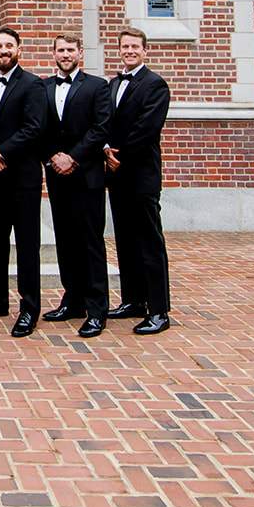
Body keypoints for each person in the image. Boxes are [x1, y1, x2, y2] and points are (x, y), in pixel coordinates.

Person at [0, 27, 50, 337]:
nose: (3, 50)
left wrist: (1, 152)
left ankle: (29, 308)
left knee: (27, 244)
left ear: (19, 49)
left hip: (23, 177)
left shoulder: (33, 85)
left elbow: (34, 129)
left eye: (8, 45)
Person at [40, 33, 112, 338]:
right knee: (66, 240)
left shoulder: (98, 86)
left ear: (80, 52)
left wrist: (74, 157)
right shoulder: (41, 87)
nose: (65, 54)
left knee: (91, 243)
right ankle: (73, 300)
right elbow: (37, 127)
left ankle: (97, 308)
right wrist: (51, 157)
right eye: (60, 50)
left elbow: (101, 127)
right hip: (57, 175)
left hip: (87, 175)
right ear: (53, 53)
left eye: (70, 50)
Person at [104, 28, 173, 335]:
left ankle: (159, 309)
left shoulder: (155, 85)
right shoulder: (113, 83)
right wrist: (105, 149)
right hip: (116, 175)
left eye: (135, 46)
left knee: (149, 242)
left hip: (141, 175)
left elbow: (148, 128)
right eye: (125, 46)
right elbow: (103, 120)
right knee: (125, 241)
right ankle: (133, 300)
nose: (129, 51)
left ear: (145, 51)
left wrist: (121, 156)